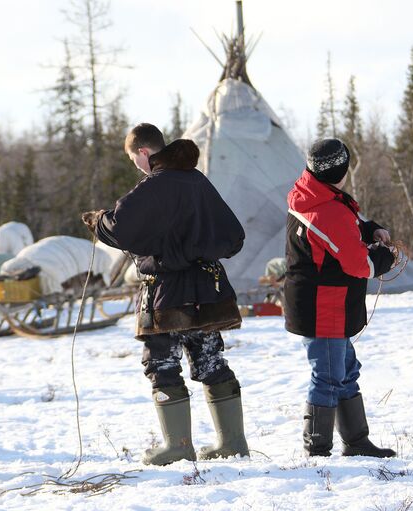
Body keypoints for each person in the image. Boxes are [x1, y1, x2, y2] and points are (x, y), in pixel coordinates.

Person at [82, 123, 249, 466]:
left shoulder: (155, 186)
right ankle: (232, 443)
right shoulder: (197, 181)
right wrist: (196, 248)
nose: (136, 166)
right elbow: (234, 236)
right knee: (211, 360)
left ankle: (177, 447)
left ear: (143, 152)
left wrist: (98, 222)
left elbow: (119, 228)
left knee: (161, 362)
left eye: (133, 159)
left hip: (167, 292)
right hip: (207, 288)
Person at [284, 138, 396, 458]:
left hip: (324, 302)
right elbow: (359, 263)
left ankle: (357, 441)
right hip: (323, 306)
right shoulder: (326, 211)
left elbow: (347, 220)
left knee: (345, 369)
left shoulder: (313, 193)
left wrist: (369, 227)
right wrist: (383, 260)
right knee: (329, 375)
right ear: (340, 170)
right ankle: (316, 449)